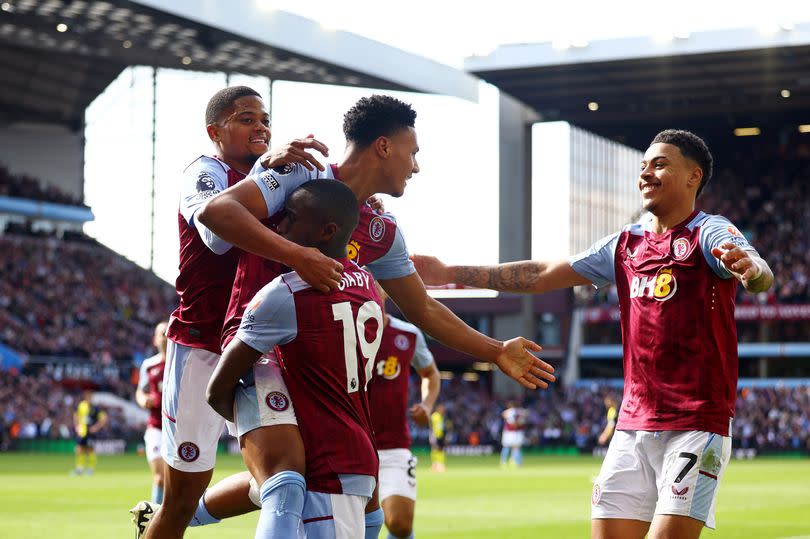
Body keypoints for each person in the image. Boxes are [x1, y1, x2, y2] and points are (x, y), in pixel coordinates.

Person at [411, 129, 774, 539]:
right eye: (643, 167)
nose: (646, 174)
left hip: (695, 422)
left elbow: (758, 271)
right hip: (632, 425)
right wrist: (447, 273)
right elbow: (542, 274)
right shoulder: (625, 244)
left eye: (659, 164)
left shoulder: (709, 231)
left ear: (693, 176)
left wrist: (752, 270)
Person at [140, 85, 331, 539]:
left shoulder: (281, 181)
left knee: (290, 474)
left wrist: (358, 207)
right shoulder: (205, 171)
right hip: (201, 346)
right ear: (215, 131)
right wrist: (269, 170)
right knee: (180, 500)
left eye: (265, 119)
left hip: (260, 345)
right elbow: (216, 235)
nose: (261, 127)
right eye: (246, 119)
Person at [207, 179, 380, 538]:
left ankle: (177, 514)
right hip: (359, 458)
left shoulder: (286, 294)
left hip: (326, 469)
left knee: (276, 484)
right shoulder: (369, 287)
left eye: (291, 217)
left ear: (326, 231)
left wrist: (255, 428)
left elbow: (218, 388)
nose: (280, 226)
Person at [367, 282, 440, 539]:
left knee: (400, 524)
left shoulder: (407, 335)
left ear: (386, 289)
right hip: (350, 444)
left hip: (393, 445)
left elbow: (430, 373)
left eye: (376, 281)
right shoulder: (341, 330)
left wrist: (427, 405)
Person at [134, 322, 168, 504]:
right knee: (160, 477)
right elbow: (140, 391)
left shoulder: (181, 364)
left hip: (178, 428)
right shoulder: (149, 365)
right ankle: (155, 518)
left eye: (169, 333)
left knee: (176, 479)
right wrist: (143, 400)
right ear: (155, 339)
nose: (165, 336)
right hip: (156, 427)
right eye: (162, 333)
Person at [72, 388, 107, 476]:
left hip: (90, 432)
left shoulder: (95, 408)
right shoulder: (81, 405)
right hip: (82, 432)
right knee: (79, 449)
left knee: (90, 450)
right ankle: (79, 468)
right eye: (88, 396)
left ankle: (90, 469)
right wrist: (77, 426)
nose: (89, 398)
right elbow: (76, 415)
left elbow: (104, 419)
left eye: (90, 397)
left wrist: (96, 427)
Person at [500, 401, 528, 468]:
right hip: (516, 432)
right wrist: (519, 421)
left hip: (509, 432)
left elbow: (503, 415)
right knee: (516, 447)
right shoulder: (520, 411)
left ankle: (504, 462)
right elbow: (527, 413)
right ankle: (518, 463)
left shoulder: (509, 412)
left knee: (507, 447)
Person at [429, 404, 447, 473]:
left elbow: (440, 427)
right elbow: (432, 426)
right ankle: (435, 465)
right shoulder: (435, 416)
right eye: (442, 409)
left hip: (440, 436)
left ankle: (439, 465)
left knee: (439, 450)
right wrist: (432, 436)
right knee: (435, 450)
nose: (443, 410)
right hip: (435, 436)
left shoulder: (440, 417)